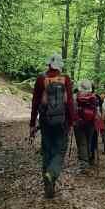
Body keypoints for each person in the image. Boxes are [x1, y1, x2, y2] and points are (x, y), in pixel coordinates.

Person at [30, 53, 74, 198]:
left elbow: (35, 102)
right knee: (60, 150)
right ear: (60, 65)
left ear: (48, 64)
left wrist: (32, 123)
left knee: (47, 150)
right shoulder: (65, 79)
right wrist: (72, 121)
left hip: (45, 120)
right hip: (62, 122)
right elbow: (70, 103)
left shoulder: (41, 78)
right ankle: (52, 173)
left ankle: (48, 188)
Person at [74, 79, 98, 172]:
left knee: (81, 143)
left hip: (79, 122)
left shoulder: (76, 96)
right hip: (91, 123)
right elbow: (96, 110)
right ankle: (89, 159)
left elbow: (73, 109)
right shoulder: (94, 97)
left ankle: (84, 164)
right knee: (88, 141)